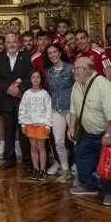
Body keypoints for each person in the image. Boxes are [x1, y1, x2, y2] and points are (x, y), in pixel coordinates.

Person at [68, 55, 111, 205]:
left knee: (108, 161)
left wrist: (108, 135)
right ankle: (89, 186)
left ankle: (110, 193)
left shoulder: (104, 86)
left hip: (106, 131)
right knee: (81, 153)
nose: (74, 71)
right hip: (87, 131)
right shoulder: (76, 85)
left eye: (76, 68)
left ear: (85, 70)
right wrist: (71, 126)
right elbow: (73, 108)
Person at [0, 33, 33, 171]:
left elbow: (31, 75)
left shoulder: (26, 57)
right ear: (6, 45)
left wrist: (20, 88)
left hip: (22, 100)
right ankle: (9, 159)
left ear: (18, 43)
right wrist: (8, 89)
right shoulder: (1, 59)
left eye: (14, 42)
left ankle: (27, 161)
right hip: (7, 100)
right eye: (9, 42)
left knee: (24, 132)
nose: (12, 44)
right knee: (8, 132)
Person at [42, 43, 74, 180]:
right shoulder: (48, 72)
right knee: (59, 142)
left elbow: (77, 88)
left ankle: (79, 168)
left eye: (55, 52)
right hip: (56, 110)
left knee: (75, 140)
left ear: (60, 53)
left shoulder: (70, 69)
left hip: (71, 110)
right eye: (50, 53)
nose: (53, 55)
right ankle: (65, 169)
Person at [18, 70, 54, 181]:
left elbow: (49, 110)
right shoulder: (27, 94)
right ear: (30, 79)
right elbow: (22, 109)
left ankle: (42, 170)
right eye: (33, 77)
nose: (35, 79)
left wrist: (48, 125)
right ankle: (35, 169)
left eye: (38, 77)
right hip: (30, 124)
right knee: (33, 147)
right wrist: (23, 123)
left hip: (41, 124)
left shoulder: (44, 94)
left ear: (41, 80)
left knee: (41, 147)